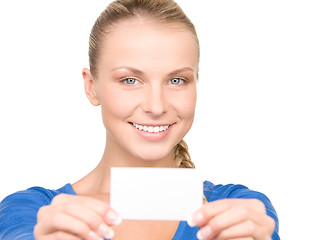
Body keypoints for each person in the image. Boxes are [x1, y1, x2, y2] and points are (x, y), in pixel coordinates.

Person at [0, 0, 280, 239]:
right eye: (130, 80)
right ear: (91, 86)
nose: (156, 106)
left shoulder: (242, 210)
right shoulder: (32, 214)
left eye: (177, 80)